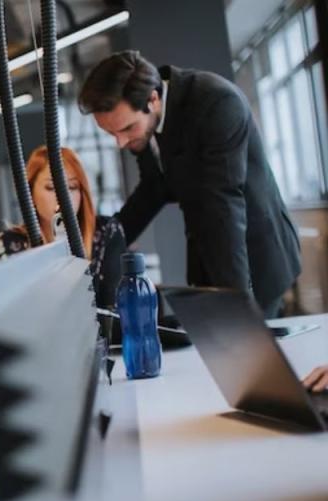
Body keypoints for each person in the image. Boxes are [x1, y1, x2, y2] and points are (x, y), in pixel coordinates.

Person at [78, 50, 301, 318]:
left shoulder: (216, 103)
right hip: (208, 251)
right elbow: (154, 189)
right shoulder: (144, 124)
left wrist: (239, 308)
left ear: (153, 99)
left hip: (253, 256)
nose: (121, 143)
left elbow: (223, 209)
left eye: (127, 129)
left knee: (251, 351)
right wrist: (101, 241)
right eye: (111, 133)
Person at [0, 145, 97, 259]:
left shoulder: (105, 231)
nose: (63, 197)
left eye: (72, 187)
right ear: (29, 193)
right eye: (51, 187)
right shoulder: (10, 243)